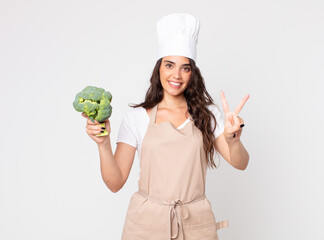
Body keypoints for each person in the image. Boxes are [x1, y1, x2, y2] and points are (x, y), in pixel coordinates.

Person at [82, 13, 250, 240]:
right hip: (146, 226)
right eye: (169, 65)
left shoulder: (208, 115)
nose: (176, 75)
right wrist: (103, 144)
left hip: (194, 224)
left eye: (185, 68)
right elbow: (115, 182)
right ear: (159, 68)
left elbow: (241, 163)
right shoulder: (137, 117)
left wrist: (233, 140)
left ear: (193, 73)